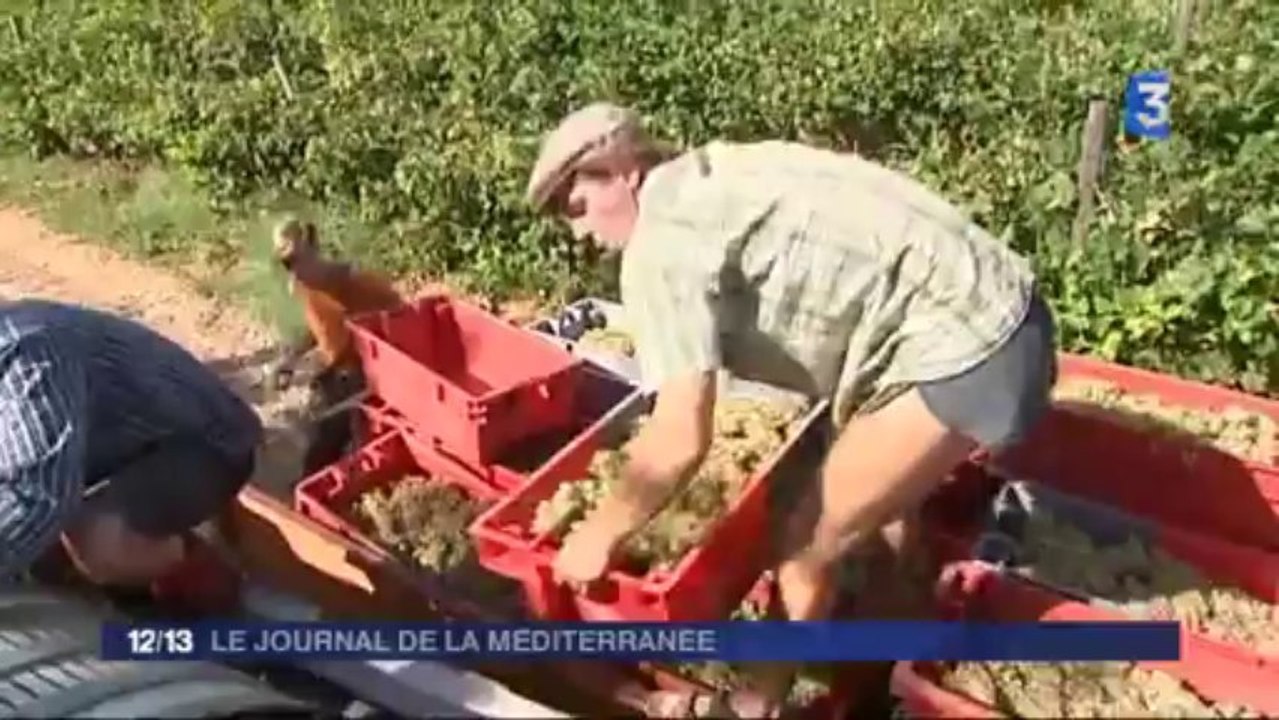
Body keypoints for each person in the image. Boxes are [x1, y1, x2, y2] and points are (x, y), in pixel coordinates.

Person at [525, 103, 1058, 716]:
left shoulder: (660, 246)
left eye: (578, 207)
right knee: (875, 508)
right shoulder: (716, 172)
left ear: (623, 172)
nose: (579, 233)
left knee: (808, 541)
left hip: (970, 349)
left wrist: (599, 534)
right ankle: (882, 663)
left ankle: (758, 703)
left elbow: (677, 439)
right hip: (1006, 310)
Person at [0, 299, 261, 610]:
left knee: (99, 546)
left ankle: (208, 582)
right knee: (38, 551)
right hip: (123, 445)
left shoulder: (31, 355)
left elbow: (41, 499)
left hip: (204, 445)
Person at [268, 217, 404, 475]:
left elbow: (400, 327)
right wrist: (289, 359)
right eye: (287, 264)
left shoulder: (358, 285)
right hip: (341, 365)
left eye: (295, 260)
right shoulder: (304, 286)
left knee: (330, 431)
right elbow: (320, 327)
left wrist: (304, 372)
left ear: (312, 247)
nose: (293, 270)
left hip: (372, 369)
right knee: (320, 425)